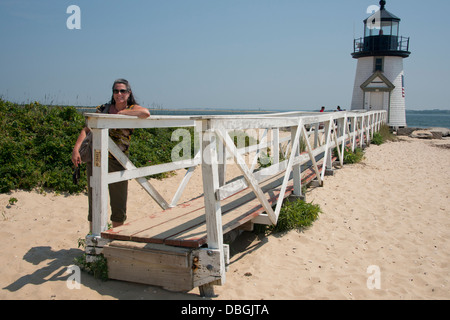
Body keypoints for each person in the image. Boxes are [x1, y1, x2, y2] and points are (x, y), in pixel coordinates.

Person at [72, 79, 150, 231]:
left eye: (122, 91)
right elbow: (87, 128)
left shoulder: (132, 108)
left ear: (129, 92)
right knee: (94, 201)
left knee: (118, 203)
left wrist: (122, 113)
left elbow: (145, 113)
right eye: (116, 91)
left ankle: (116, 238)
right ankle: (94, 238)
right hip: (97, 158)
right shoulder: (103, 109)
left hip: (118, 160)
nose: (119, 94)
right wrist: (76, 149)